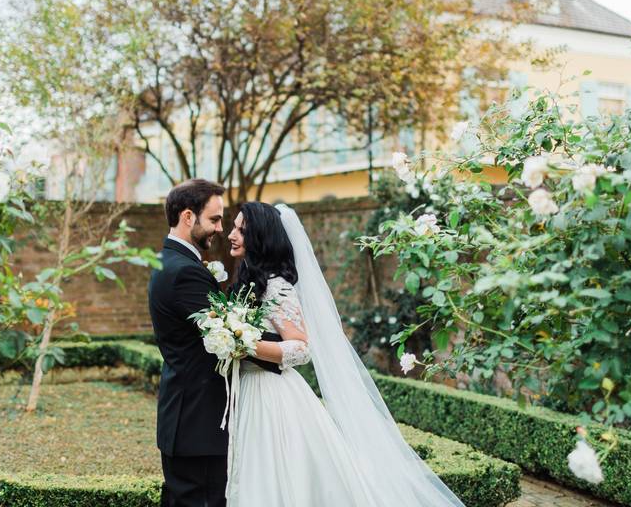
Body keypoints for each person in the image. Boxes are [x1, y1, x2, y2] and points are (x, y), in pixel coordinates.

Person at [224, 201, 465, 507]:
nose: (232, 234)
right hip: (247, 391)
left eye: (240, 229)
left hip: (274, 398)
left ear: (260, 236)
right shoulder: (247, 285)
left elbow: (300, 348)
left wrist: (242, 343)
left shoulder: (277, 287)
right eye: (233, 227)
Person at [147, 179, 280, 507]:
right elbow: (226, 339)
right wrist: (284, 350)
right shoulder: (186, 272)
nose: (220, 229)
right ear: (188, 217)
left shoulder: (169, 261)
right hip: (199, 424)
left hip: (186, 419)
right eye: (215, 219)